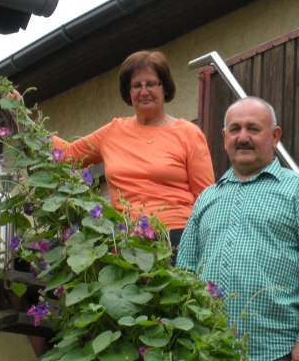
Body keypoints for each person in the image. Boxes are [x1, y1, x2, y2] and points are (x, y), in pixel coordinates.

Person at [176, 97, 299, 361]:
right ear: (224, 136)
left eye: (253, 129)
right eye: (235, 129)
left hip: (279, 351)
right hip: (207, 349)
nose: (243, 137)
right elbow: (184, 270)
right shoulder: (206, 198)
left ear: (274, 136)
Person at [45, 49, 215, 251]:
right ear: (129, 92)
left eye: (151, 84)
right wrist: (21, 120)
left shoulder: (188, 133)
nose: (144, 91)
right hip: (127, 241)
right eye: (136, 86)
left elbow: (206, 200)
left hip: (179, 239)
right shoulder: (113, 132)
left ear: (165, 87)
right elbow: (68, 155)